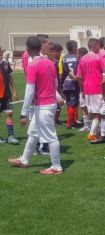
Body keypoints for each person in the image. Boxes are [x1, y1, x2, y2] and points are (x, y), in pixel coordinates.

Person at [8, 36, 64, 175]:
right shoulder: (50, 62)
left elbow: (29, 91)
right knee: (33, 133)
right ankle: (25, 160)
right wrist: (57, 97)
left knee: (51, 137)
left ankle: (56, 167)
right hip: (47, 104)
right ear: (40, 48)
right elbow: (54, 84)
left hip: (44, 106)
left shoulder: (33, 65)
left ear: (27, 50)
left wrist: (23, 113)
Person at [76, 38, 105, 143]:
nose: (100, 48)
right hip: (98, 88)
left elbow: (79, 76)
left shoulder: (82, 59)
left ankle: (97, 132)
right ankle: (92, 133)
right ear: (95, 45)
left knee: (94, 112)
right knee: (100, 112)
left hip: (87, 88)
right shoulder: (98, 58)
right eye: (99, 46)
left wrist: (82, 90)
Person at [0, 56, 19, 144]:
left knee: (9, 113)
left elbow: (10, 77)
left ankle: (11, 136)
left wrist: (14, 91)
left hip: (7, 94)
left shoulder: (5, 64)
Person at [62, 40, 80, 128]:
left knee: (69, 103)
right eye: (76, 47)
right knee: (73, 103)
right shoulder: (77, 57)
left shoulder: (64, 58)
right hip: (74, 82)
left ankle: (73, 121)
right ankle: (69, 123)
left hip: (66, 82)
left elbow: (64, 72)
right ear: (73, 48)